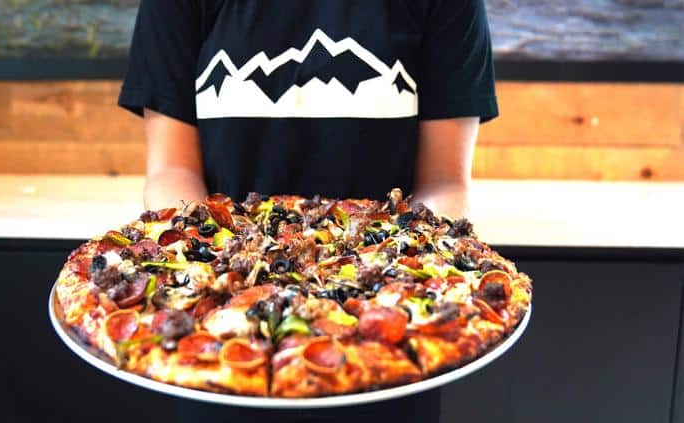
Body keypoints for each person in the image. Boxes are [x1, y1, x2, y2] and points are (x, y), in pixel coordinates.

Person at [118, 1, 498, 421]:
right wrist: (219, 281)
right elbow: (172, 170)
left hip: (388, 353)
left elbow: (444, 183)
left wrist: (394, 285)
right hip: (219, 348)